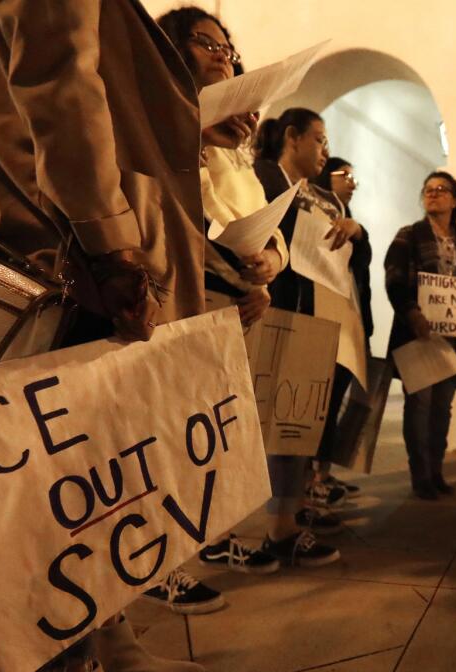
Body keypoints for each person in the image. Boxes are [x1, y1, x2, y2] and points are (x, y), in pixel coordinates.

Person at [0, 0, 225, 672]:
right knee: (66, 478)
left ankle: (107, 643)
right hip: (65, 242)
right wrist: (109, 241)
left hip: (70, 234)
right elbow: (58, 74)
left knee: (100, 469)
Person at [155, 7, 295, 573]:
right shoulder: (157, 134)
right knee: (164, 440)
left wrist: (266, 270)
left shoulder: (236, 159)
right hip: (173, 305)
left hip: (233, 309)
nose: (222, 54)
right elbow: (173, 220)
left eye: (228, 50)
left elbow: (265, 227)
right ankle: (165, 568)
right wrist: (195, 132)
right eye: (206, 43)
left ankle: (209, 539)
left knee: (210, 439)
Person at [253, 107, 359, 564]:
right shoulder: (260, 179)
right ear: (292, 138)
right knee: (276, 426)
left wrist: (352, 225)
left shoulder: (319, 195)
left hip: (311, 314)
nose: (325, 151)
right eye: (319, 140)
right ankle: (275, 526)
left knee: (296, 424)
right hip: (266, 311)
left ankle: (289, 520)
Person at [386, 171, 456, 499]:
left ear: (455, 200)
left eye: (441, 189)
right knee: (419, 406)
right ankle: (421, 475)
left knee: (443, 407)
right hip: (418, 336)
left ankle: (437, 469)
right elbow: (395, 279)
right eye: (428, 189)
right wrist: (412, 313)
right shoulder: (409, 236)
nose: (433, 194)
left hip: (454, 341)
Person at [312, 156, 374, 498]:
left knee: (335, 402)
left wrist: (358, 231)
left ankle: (323, 472)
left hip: (348, 322)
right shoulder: (312, 211)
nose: (351, 181)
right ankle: (310, 481)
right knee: (318, 404)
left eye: (354, 177)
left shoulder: (349, 222)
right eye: (344, 174)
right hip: (322, 321)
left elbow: (361, 268)